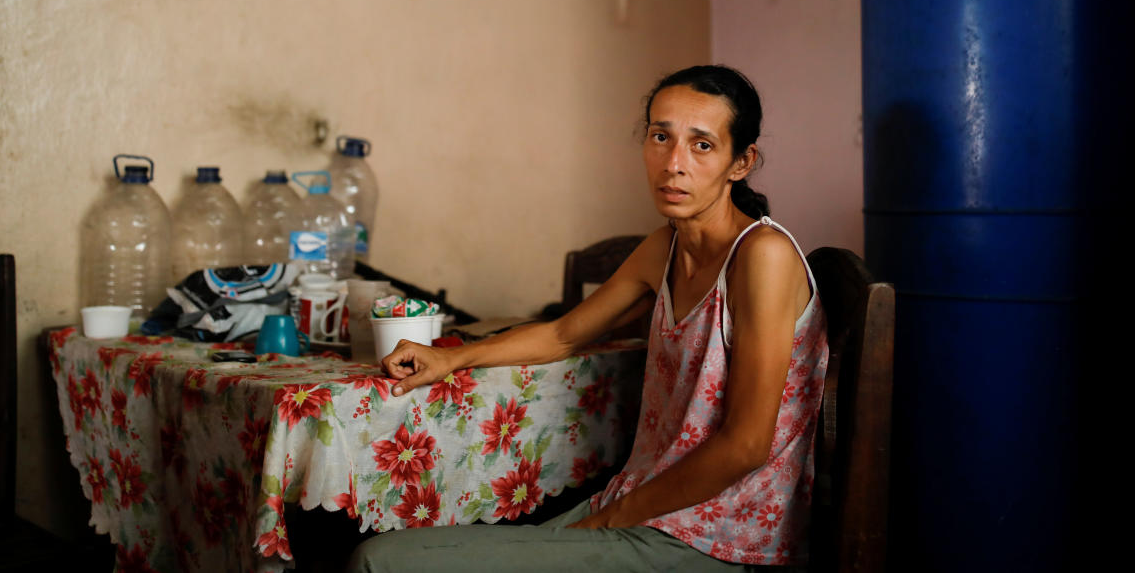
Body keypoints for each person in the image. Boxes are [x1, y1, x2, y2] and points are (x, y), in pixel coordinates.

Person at [350, 65, 827, 572]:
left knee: (377, 561)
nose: (673, 164)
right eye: (660, 137)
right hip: (647, 509)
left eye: (702, 145)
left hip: (718, 538)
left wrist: (610, 519)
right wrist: (450, 358)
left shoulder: (763, 256)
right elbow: (562, 334)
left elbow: (747, 446)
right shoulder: (665, 247)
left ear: (742, 161)